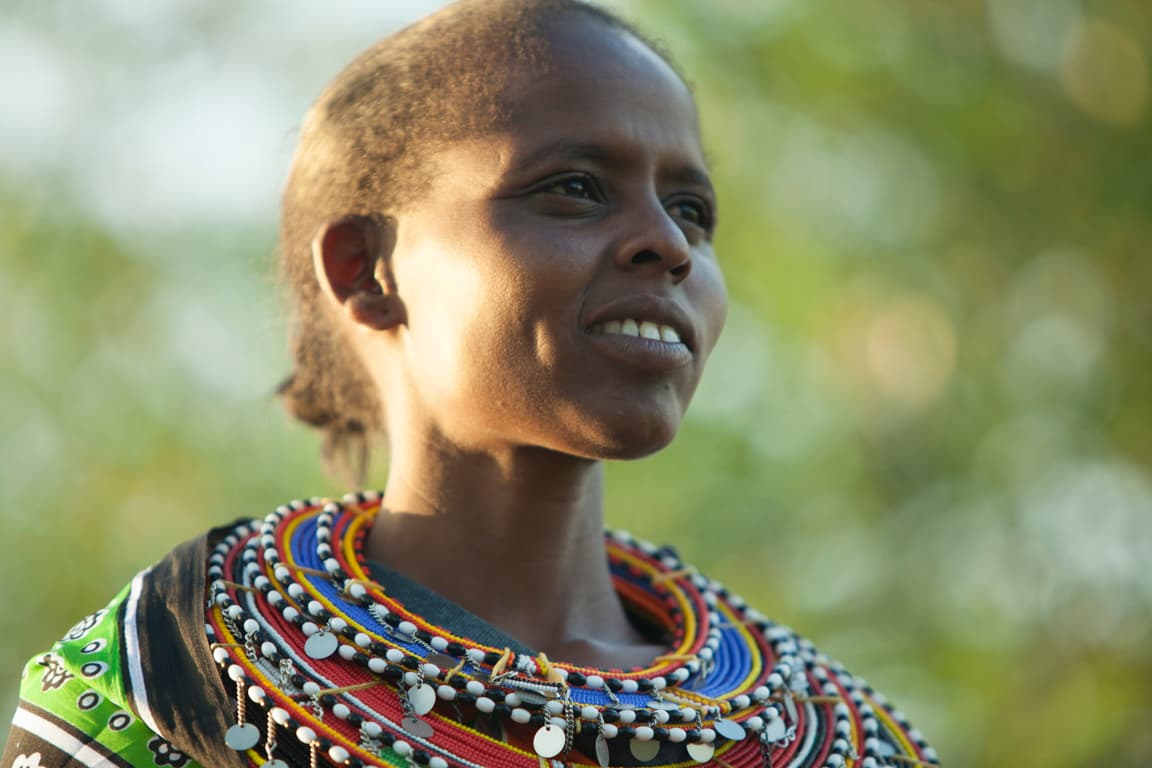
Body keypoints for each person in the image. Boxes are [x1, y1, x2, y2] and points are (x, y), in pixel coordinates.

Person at [2, 1, 940, 766]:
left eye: (691, 209)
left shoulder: (834, 735)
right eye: (573, 187)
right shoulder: (182, 672)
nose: (669, 243)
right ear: (369, 271)